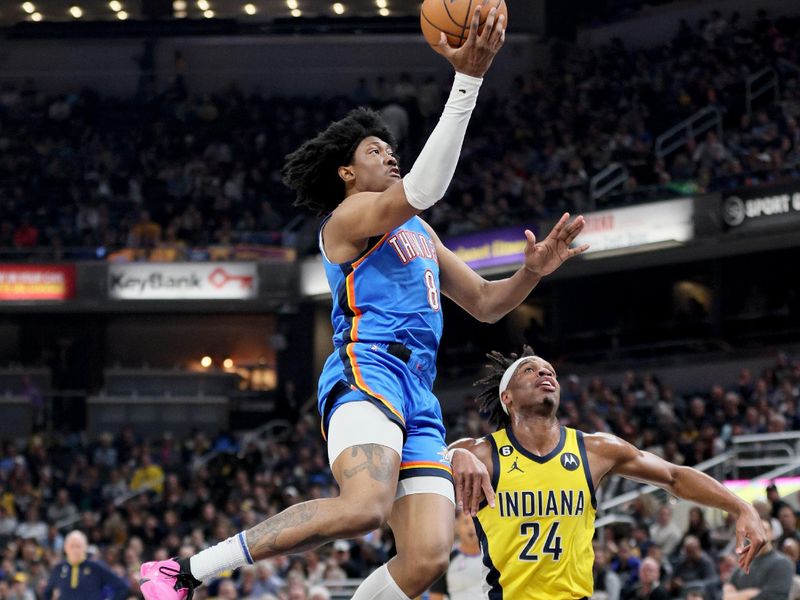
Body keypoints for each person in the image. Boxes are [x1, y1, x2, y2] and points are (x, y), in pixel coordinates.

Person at [140, 8, 588, 600]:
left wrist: (531, 272)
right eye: (377, 151)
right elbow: (425, 187)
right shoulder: (348, 218)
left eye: (390, 149)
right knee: (364, 510)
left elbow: (483, 302)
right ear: (348, 172)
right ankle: (186, 571)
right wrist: (468, 81)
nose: (390, 156)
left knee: (428, 555)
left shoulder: (420, 233)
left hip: (419, 391)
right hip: (367, 369)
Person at [449, 348, 767, 599]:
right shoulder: (482, 453)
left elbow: (674, 477)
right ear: (507, 398)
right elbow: (419, 462)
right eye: (529, 369)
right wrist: (453, 454)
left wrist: (742, 506)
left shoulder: (595, 449)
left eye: (550, 370)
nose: (545, 372)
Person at [43, 530, 130, 600]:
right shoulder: (58, 568)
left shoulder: (95, 567)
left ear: (85, 547)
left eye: (78, 546)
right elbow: (47, 592)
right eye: (72, 546)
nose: (75, 550)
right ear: (65, 547)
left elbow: (122, 586)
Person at [723, 517, 794, 600]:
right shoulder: (744, 561)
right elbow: (726, 592)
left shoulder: (782, 563)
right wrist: (749, 594)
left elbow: (772, 597)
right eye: (754, 532)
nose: (759, 536)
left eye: (764, 531)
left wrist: (738, 596)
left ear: (772, 534)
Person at [428, 510, 484, 600]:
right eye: (466, 523)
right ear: (457, 526)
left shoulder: (491, 557)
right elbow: (436, 596)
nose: (471, 527)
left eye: (475, 522)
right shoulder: (445, 559)